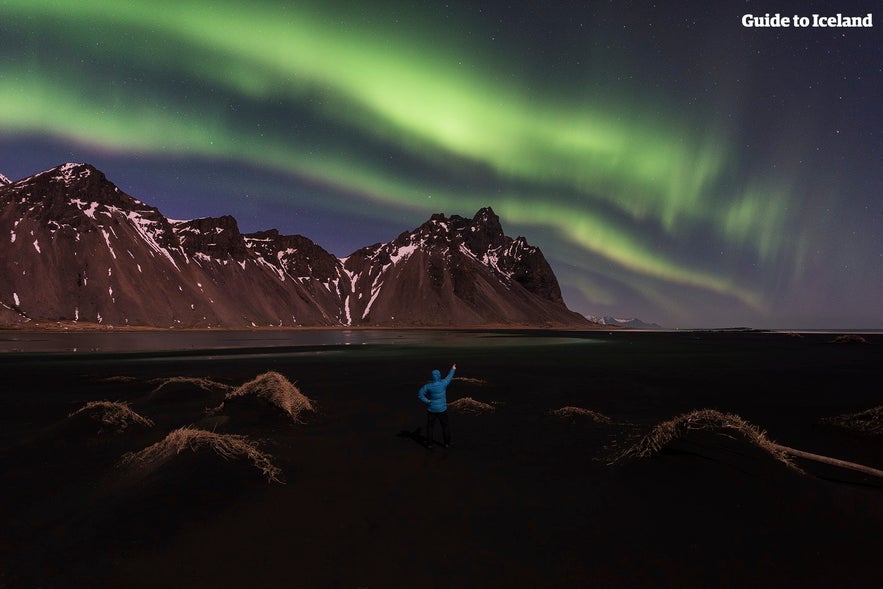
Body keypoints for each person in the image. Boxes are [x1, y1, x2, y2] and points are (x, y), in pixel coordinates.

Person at [417, 363, 456, 449]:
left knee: (430, 427)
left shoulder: (428, 386)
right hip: (442, 410)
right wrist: (453, 368)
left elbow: (420, 394)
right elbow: (449, 377)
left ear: (432, 377)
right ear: (439, 376)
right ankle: (447, 444)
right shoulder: (443, 383)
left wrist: (427, 401)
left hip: (431, 410)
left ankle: (429, 444)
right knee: (445, 427)